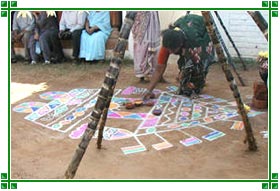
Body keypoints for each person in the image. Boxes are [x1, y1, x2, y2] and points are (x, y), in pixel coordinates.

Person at [143, 13, 214, 100]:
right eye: (168, 50)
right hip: (187, 27)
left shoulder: (193, 45)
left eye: (172, 50)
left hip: (203, 32)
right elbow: (159, 68)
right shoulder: (168, 42)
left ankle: (198, 82)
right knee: (184, 77)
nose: (170, 52)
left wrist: (186, 73)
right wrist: (149, 90)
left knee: (197, 68)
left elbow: (196, 61)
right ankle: (186, 77)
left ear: (181, 45)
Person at [131, 11, 161, 83]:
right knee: (141, 46)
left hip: (152, 16)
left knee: (154, 47)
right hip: (140, 17)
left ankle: (156, 74)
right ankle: (142, 75)